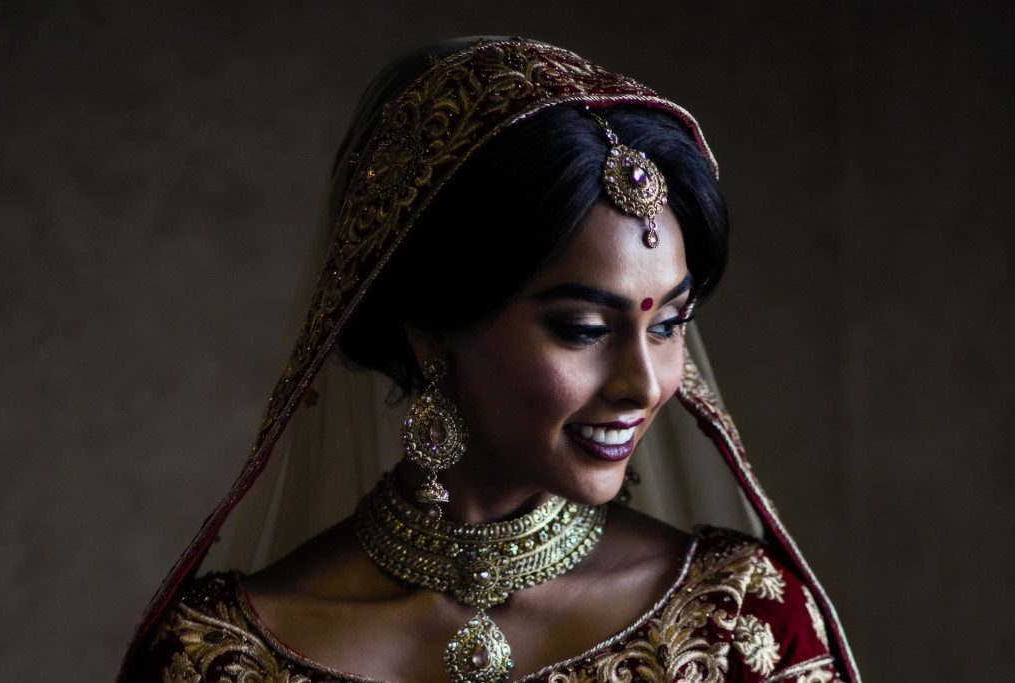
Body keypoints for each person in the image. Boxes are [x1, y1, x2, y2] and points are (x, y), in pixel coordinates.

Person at [119, 37, 861, 682]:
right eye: (581, 328)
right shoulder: (216, 654)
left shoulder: (737, 617)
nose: (645, 382)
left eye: (670, 324)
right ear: (431, 328)